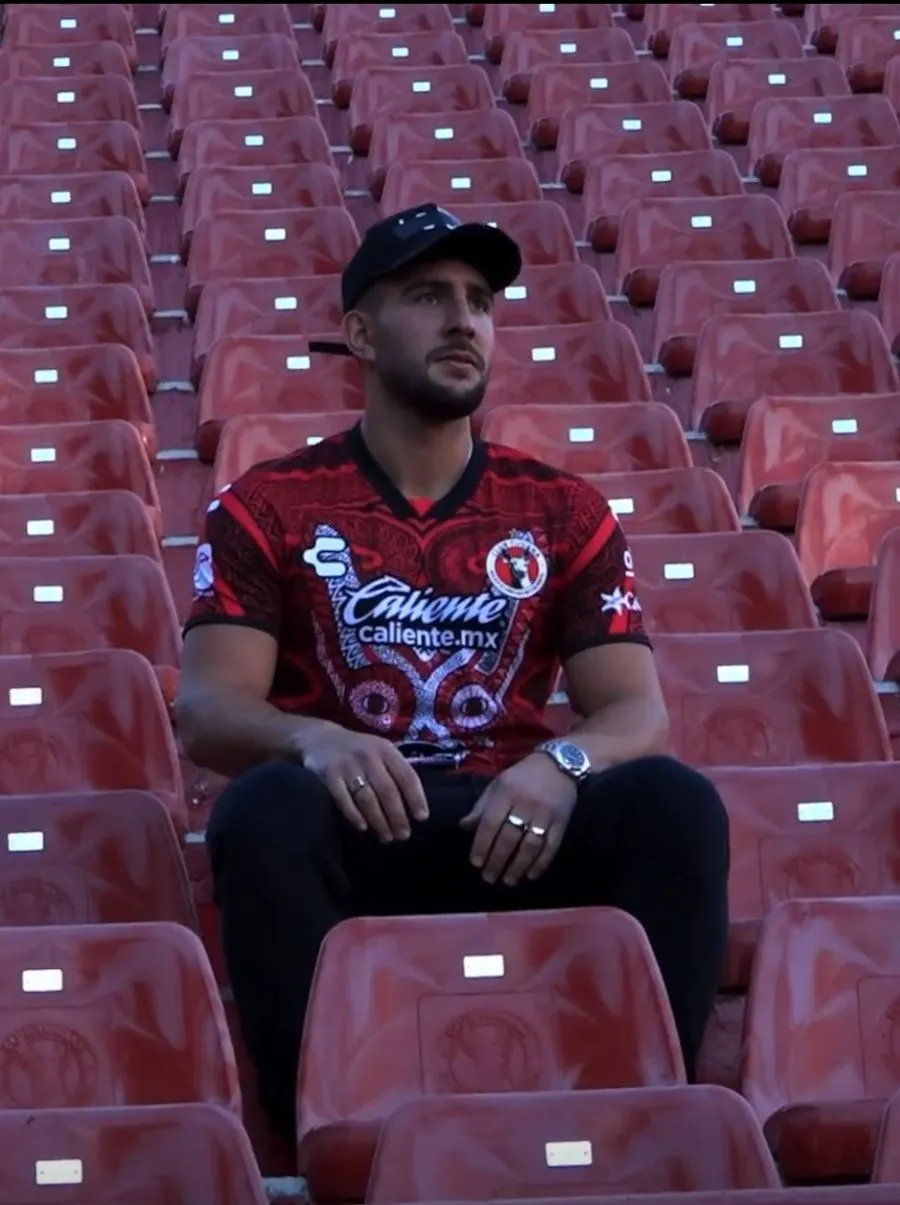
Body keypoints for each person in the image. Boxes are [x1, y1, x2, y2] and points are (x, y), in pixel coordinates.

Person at [175, 203, 730, 1141]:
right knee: (262, 810)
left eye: (479, 301)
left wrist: (563, 767)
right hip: (360, 827)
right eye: (428, 297)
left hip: (512, 818)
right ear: (358, 332)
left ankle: (650, 1121)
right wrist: (314, 737)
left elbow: (635, 712)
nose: (463, 320)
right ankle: (319, 1129)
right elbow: (207, 707)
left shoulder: (561, 507)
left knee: (676, 805)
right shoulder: (267, 505)